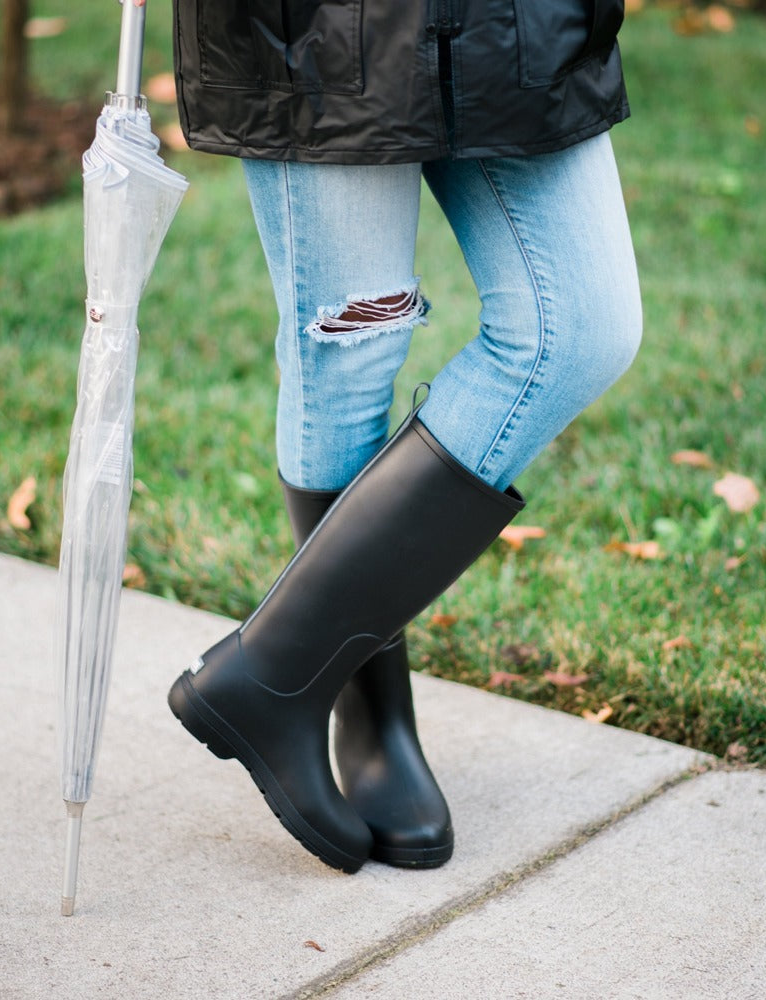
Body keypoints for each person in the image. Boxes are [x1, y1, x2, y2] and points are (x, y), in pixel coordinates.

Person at [166, 0, 643, 873]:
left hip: (519, 22)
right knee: (350, 351)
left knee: (581, 327)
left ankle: (273, 673)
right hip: (323, 28)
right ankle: (369, 719)